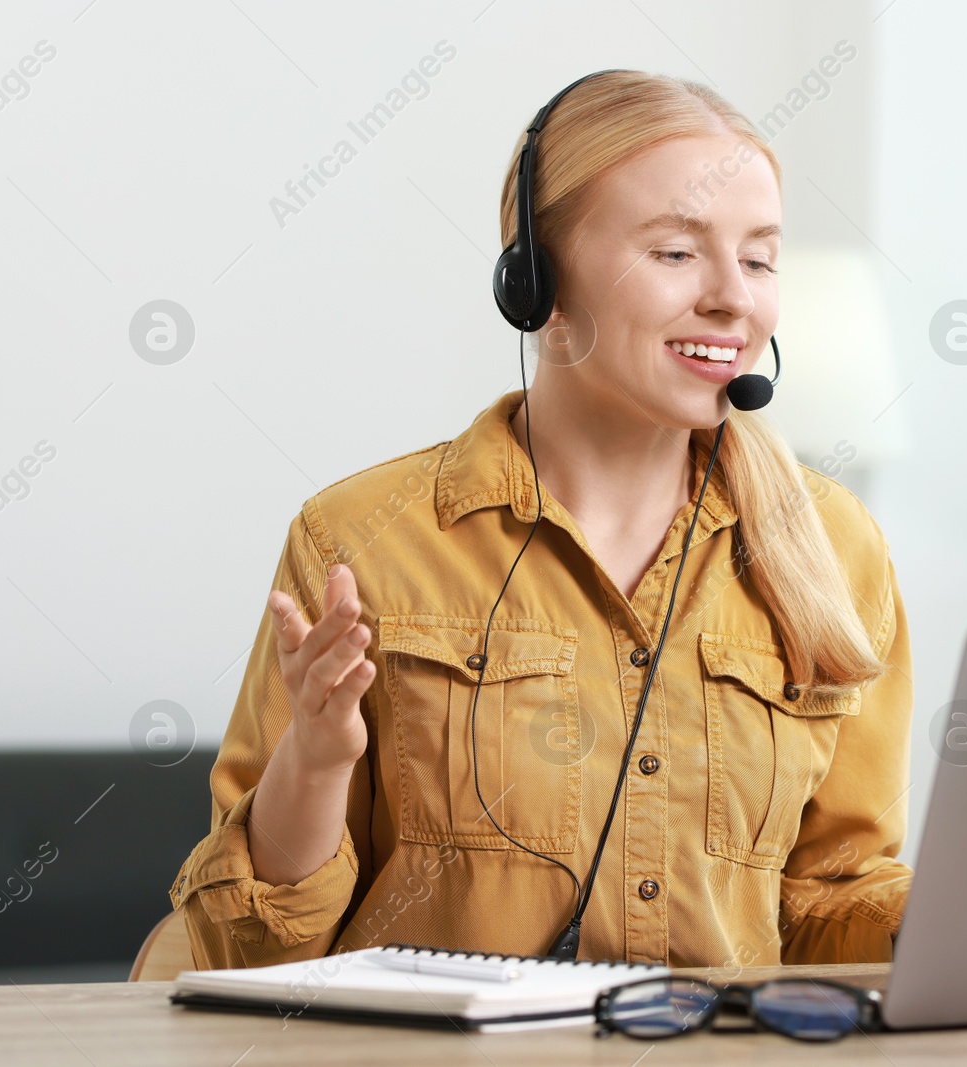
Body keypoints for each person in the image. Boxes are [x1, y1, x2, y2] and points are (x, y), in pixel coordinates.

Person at [169, 69, 913, 970]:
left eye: (758, 258)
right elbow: (243, 951)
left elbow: (832, 901)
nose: (734, 298)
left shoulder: (836, 550)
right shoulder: (359, 540)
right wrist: (319, 763)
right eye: (677, 253)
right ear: (537, 282)